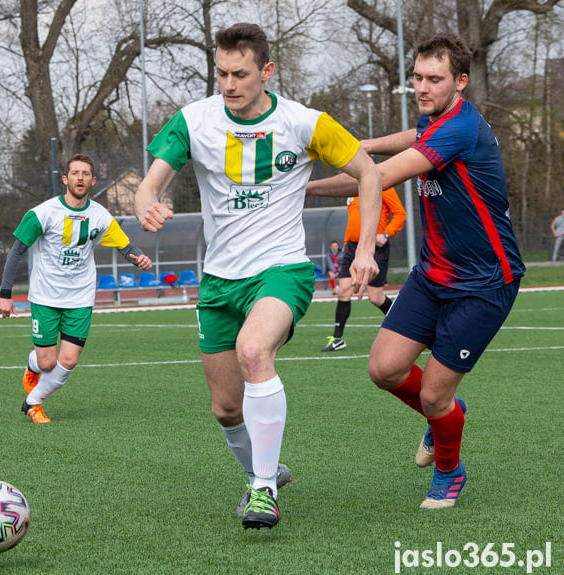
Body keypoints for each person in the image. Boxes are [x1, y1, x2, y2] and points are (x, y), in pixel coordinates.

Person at [134, 23, 382, 530]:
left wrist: (365, 249)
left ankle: (264, 490)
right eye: (221, 73)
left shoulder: (304, 122)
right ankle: (263, 472)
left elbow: (369, 172)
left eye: (240, 73)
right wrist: (144, 198)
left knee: (254, 351)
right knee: (226, 408)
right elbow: (154, 178)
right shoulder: (193, 120)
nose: (229, 83)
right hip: (219, 279)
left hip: (281, 269)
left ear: (266, 71)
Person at [307, 34, 524, 509]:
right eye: (418, 78)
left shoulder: (459, 130)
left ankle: (450, 471)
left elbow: (377, 175)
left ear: (460, 82)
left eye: (434, 79)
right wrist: (346, 144)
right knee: (384, 369)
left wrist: (301, 187)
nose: (423, 87)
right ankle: (444, 417)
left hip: (483, 283)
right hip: (432, 275)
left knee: (433, 396)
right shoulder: (434, 122)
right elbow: (401, 139)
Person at [0, 154, 154, 424]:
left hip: (80, 297)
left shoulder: (100, 215)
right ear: (65, 179)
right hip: (46, 296)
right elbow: (17, 251)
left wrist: (138, 258)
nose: (80, 178)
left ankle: (33, 403)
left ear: (93, 181)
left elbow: (125, 246)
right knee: (47, 363)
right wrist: (4, 294)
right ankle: (33, 365)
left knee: (68, 361)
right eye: (75, 173)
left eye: (85, 174)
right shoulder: (42, 213)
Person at [322, 187, 405, 352]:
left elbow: (400, 214)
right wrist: (346, 241)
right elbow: (353, 219)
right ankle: (338, 338)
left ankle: (407, 328)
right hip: (352, 247)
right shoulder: (354, 187)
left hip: (374, 248)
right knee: (343, 290)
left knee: (376, 297)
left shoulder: (383, 184)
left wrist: (386, 234)